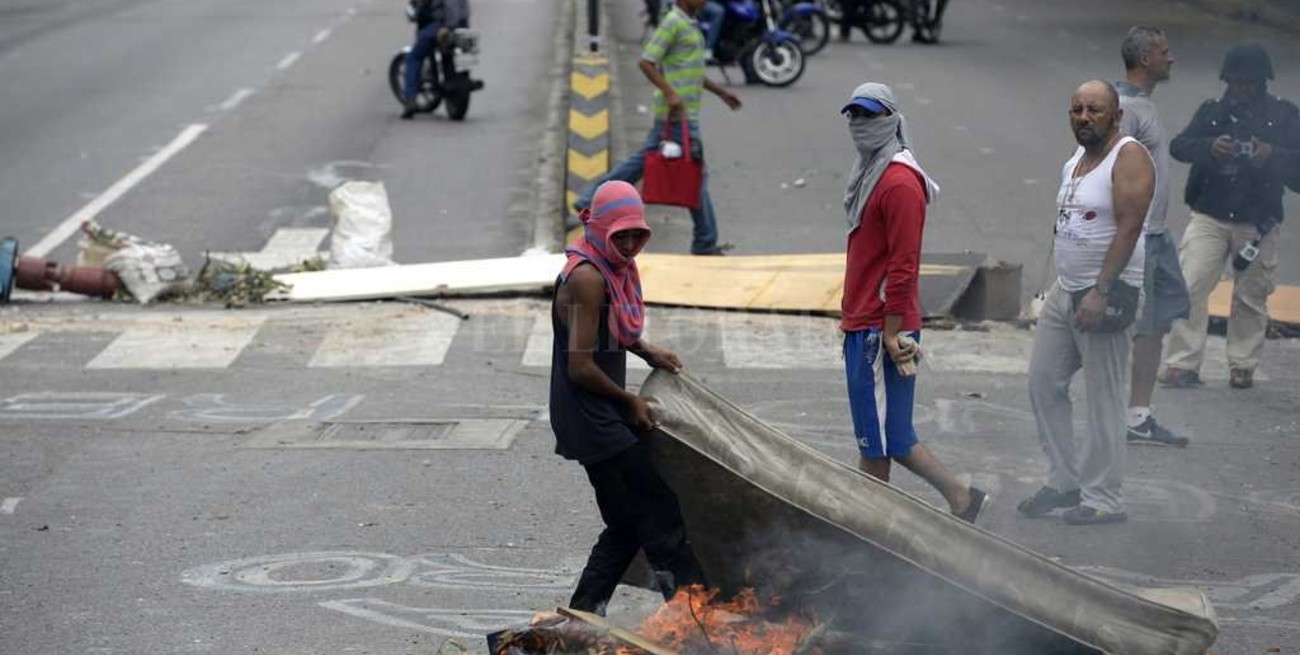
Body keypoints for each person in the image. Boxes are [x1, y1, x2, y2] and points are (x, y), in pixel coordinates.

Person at [551, 181, 708, 616]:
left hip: (595, 414)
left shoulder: (607, 267)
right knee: (660, 514)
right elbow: (580, 366)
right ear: (600, 229)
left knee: (624, 524)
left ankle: (583, 614)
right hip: (592, 418)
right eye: (620, 235)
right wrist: (628, 402)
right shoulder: (588, 277)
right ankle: (697, 617)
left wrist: (645, 349)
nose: (630, 244)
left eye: (637, 234)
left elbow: (612, 330)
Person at [838, 82, 989, 524]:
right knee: (895, 436)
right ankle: (962, 499)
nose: (860, 125)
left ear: (892, 120)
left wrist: (888, 331)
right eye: (854, 116)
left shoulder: (900, 182)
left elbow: (904, 266)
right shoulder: (872, 171)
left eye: (870, 116)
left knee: (874, 444)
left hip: (879, 329)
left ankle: (863, 535)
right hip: (865, 322)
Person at [1018, 80, 1154, 526]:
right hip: (1066, 291)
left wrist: (1101, 290)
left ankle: (1104, 498)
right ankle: (1064, 482)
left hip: (1105, 293)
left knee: (1104, 400)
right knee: (1044, 383)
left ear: (1115, 116)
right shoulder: (1077, 158)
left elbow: (1129, 228)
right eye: (1076, 109)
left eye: (1094, 109)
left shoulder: (1128, 156)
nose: (1083, 117)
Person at [1161, 43, 1300, 390]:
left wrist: (1272, 155)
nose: (1241, 90)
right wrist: (1209, 148)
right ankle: (1182, 362)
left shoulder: (1284, 116)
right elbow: (1179, 146)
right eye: (1235, 83)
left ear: (1263, 83)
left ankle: (1243, 363)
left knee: (1251, 296)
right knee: (1190, 285)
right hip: (1210, 214)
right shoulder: (1212, 112)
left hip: (1259, 221)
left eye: (1249, 83)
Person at [573, 0, 742, 256]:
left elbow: (690, 68)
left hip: (682, 114)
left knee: (640, 164)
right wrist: (671, 94)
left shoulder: (690, 23)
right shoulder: (673, 22)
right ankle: (705, 241)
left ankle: (589, 201)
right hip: (676, 116)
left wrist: (721, 93)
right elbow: (647, 62)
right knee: (695, 174)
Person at [1114, 27, 1191, 447]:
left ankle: (1138, 415)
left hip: (1155, 235)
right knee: (1128, 325)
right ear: (1145, 59)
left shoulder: (1141, 104)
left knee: (1156, 324)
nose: (1171, 58)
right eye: (1164, 51)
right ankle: (1118, 415)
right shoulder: (1126, 108)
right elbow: (1112, 170)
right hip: (1138, 237)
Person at [400, 0, 468, 120]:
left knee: (414, 57)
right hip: (462, 26)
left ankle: (410, 100)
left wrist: (448, 27)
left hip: (442, 26)